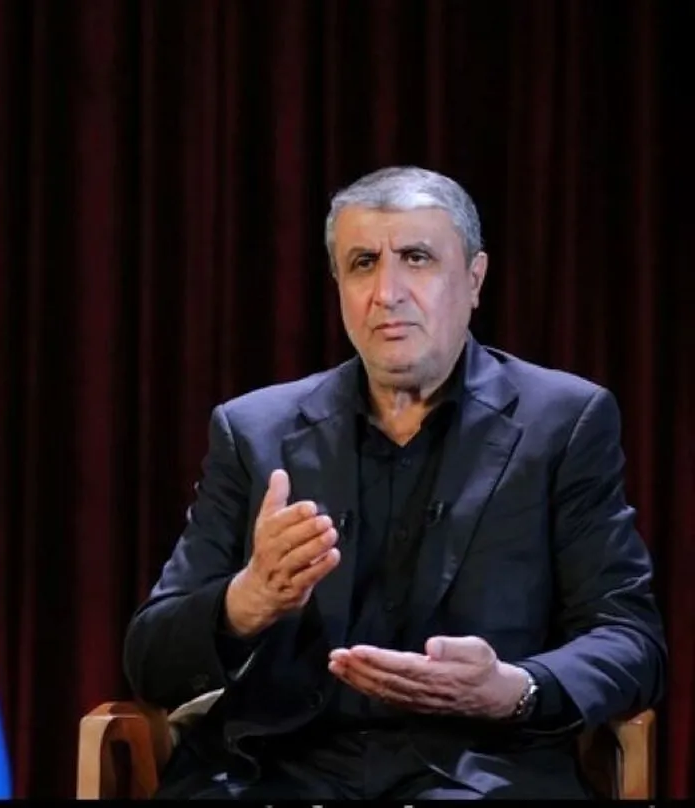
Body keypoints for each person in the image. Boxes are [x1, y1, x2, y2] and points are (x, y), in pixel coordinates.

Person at [122, 165, 667, 800]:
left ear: (474, 279)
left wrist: (514, 689)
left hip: (479, 775)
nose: (387, 292)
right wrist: (244, 603)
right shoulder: (253, 432)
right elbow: (149, 659)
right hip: (275, 772)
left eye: (416, 258)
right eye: (363, 264)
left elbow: (630, 639)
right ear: (339, 286)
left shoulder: (564, 423)